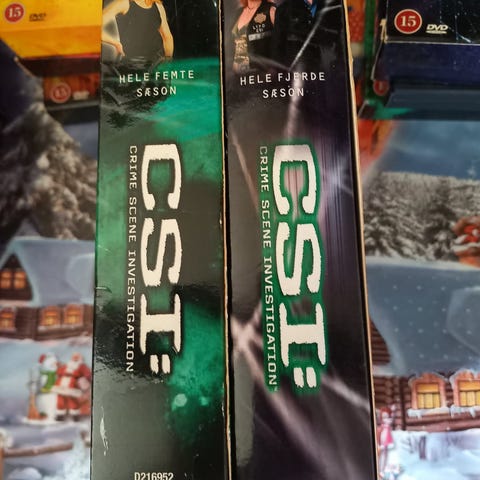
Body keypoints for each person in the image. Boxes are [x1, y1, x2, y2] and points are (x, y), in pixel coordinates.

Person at [102, 0, 174, 65]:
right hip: (132, 65)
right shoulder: (124, 3)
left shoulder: (158, 6)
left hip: (157, 64)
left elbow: (167, 37)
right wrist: (115, 43)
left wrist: (168, 61)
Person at [231, 0, 275, 74]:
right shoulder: (239, 12)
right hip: (237, 74)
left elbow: (280, 43)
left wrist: (273, 70)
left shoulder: (271, 10)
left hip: (260, 73)